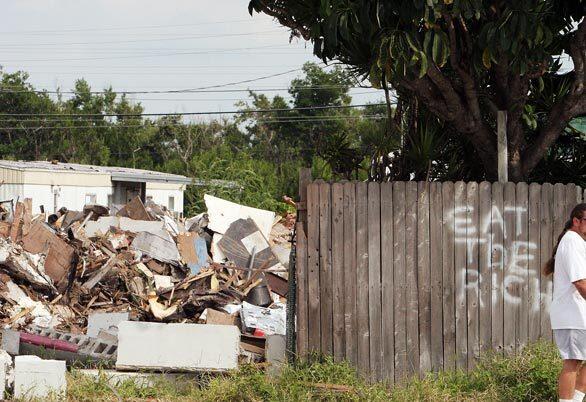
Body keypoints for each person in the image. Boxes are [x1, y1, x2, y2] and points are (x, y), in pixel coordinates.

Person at [546, 203, 586, 402]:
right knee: (572, 362)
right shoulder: (572, 241)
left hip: (579, 314)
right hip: (572, 314)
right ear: (576, 221)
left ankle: (576, 400)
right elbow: (579, 282)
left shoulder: (578, 242)